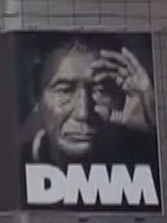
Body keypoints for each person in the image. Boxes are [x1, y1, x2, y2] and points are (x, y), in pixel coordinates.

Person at [18, 37, 158, 173]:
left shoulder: (151, 160)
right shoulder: (11, 172)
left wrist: (156, 129)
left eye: (100, 91)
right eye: (65, 90)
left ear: (122, 95)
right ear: (35, 92)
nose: (83, 113)